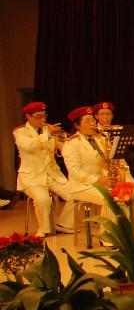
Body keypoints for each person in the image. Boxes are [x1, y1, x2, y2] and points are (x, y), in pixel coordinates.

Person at [12, 101, 95, 235]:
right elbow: (28, 146)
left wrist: (71, 141)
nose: (42, 120)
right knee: (43, 199)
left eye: (44, 116)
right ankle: (44, 229)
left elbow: (64, 148)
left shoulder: (48, 130)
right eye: (38, 117)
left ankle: (63, 224)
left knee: (77, 194)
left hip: (53, 175)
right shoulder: (20, 132)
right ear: (28, 116)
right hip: (32, 177)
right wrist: (48, 135)